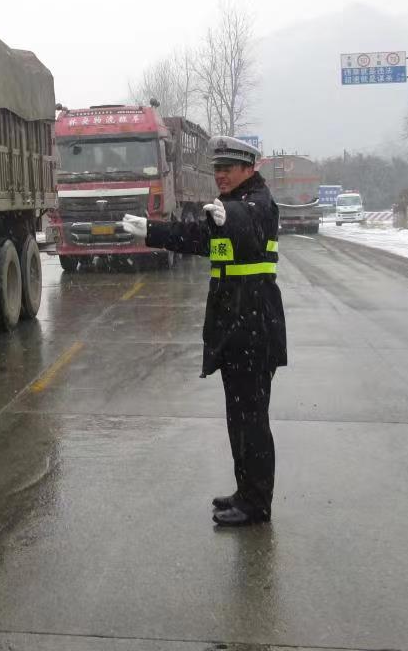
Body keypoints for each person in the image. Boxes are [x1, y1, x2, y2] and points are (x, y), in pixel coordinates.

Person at [121, 135, 287, 526]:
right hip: (234, 330)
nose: (221, 175)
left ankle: (257, 504)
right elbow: (198, 239)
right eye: (217, 169)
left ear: (250, 169)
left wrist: (232, 219)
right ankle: (245, 492)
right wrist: (151, 231)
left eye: (228, 169)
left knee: (253, 421)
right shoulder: (225, 208)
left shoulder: (258, 205)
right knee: (239, 418)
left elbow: (252, 226)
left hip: (255, 328)